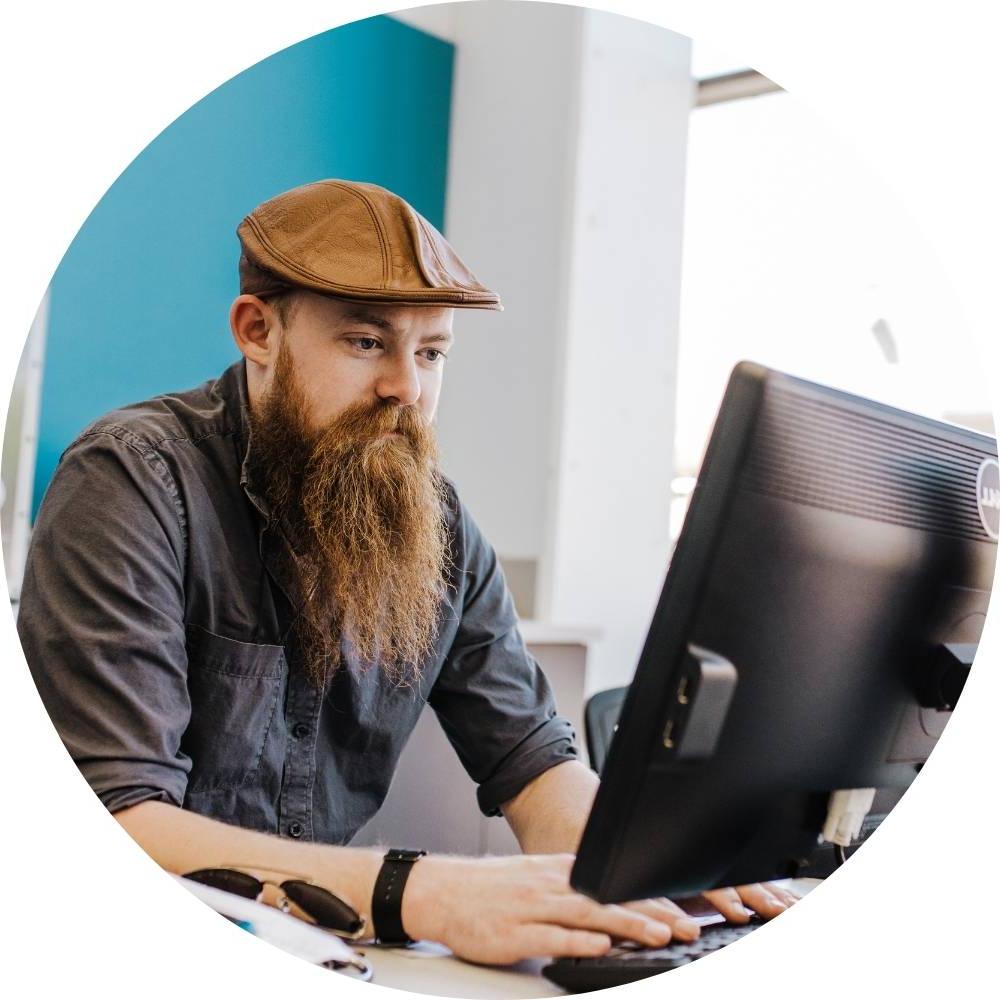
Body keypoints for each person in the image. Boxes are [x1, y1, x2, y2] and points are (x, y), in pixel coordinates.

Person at [17, 179, 799, 965]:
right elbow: (117, 820)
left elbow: (535, 760)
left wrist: (640, 868)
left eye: (431, 353)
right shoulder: (132, 480)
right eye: (366, 343)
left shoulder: (438, 523)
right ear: (257, 330)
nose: (407, 388)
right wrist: (418, 893)